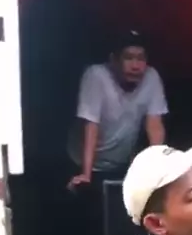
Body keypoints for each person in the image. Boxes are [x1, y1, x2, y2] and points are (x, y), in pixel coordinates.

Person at [67, 31, 168, 188]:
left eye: (141, 59)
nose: (135, 66)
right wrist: (86, 174)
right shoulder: (95, 75)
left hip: (122, 163)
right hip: (83, 162)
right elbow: (91, 125)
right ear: (113, 60)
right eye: (128, 58)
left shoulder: (151, 76)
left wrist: (158, 170)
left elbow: (154, 125)